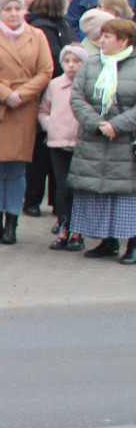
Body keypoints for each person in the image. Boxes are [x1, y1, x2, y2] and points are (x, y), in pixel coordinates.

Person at [0, 0, 53, 244]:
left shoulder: (36, 36)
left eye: (18, 9)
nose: (14, 14)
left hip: (23, 107)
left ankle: (12, 225)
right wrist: (5, 94)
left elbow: (45, 71)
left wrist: (22, 94)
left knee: (18, 168)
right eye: (8, 9)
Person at [66, 17, 136, 261]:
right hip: (94, 139)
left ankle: (133, 243)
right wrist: (98, 124)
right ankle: (108, 241)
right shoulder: (91, 64)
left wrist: (116, 125)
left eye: (107, 36)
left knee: (127, 193)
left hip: (125, 141)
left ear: (124, 40)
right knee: (99, 194)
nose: (101, 40)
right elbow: (77, 98)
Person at [24, 0, 76, 215]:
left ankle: (53, 200)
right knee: (41, 150)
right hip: (46, 91)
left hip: (59, 93)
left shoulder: (60, 24)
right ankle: (34, 200)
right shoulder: (43, 27)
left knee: (55, 149)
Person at [42, 44, 85, 250]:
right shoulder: (55, 85)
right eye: (67, 61)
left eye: (76, 61)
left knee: (79, 188)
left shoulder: (88, 84)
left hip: (81, 143)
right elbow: (43, 110)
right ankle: (63, 228)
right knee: (62, 187)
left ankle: (78, 231)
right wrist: (49, 124)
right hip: (58, 142)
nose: (71, 65)